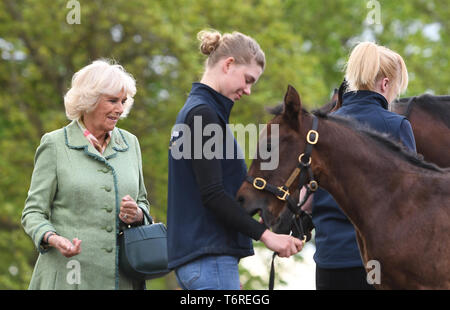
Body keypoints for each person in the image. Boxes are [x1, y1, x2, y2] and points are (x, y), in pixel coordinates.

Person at [167, 30, 303, 290]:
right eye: (248, 79)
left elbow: (211, 192)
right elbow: (213, 195)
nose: (249, 90)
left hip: (203, 261)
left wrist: (258, 212)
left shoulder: (199, 111)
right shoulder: (202, 115)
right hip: (210, 260)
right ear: (228, 64)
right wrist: (267, 237)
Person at [22, 59, 151, 289]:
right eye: (112, 101)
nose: (120, 109)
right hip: (68, 278)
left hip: (122, 280)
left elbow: (143, 201)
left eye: (123, 101)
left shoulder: (131, 144)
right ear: (89, 101)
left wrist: (138, 214)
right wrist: (52, 237)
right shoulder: (54, 145)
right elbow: (33, 212)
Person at [302, 42, 416, 290]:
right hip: (379, 263)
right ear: (385, 84)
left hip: (329, 263)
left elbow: (306, 198)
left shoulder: (321, 128)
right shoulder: (396, 126)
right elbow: (412, 201)